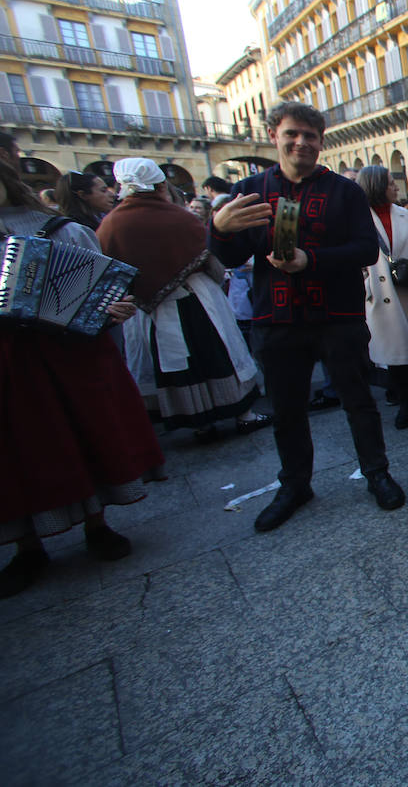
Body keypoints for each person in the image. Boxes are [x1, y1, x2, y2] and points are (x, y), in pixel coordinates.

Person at [209, 101, 405, 532]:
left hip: (337, 316)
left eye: (310, 136)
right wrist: (220, 230)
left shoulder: (345, 192)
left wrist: (308, 259)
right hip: (277, 318)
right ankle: (295, 484)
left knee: (358, 401)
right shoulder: (250, 189)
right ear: (274, 134)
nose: (301, 143)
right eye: (292, 133)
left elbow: (365, 250)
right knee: (287, 409)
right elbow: (230, 255)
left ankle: (377, 473)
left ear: (321, 141)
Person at [0, 161, 162, 598]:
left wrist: (113, 307)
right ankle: (25, 543)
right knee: (12, 452)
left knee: (82, 432)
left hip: (67, 355)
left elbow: (106, 287)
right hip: (7, 360)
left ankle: (97, 523)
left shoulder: (61, 231)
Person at [97, 158, 271, 442]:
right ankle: (244, 415)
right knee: (217, 354)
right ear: (159, 185)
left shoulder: (110, 225)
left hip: (148, 311)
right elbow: (213, 259)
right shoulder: (178, 217)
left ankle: (200, 423)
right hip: (196, 300)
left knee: (178, 365)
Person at [357, 165, 408, 430]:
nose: (396, 187)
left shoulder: (404, 215)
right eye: (391, 183)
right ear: (377, 186)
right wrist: (366, 284)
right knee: (396, 357)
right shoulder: (358, 219)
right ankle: (405, 404)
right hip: (382, 295)